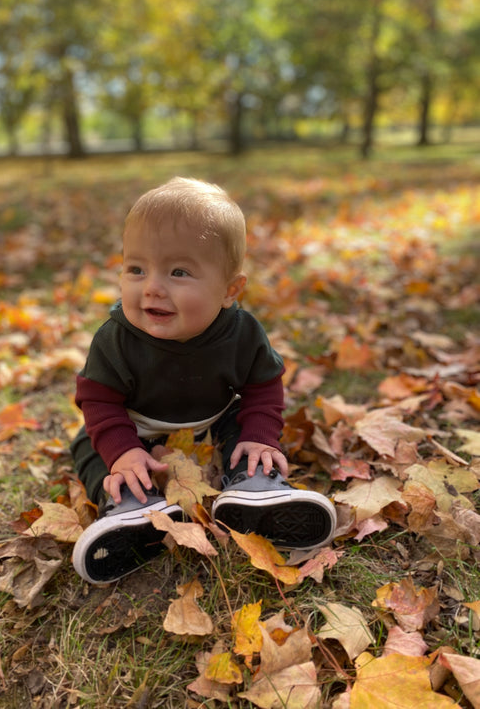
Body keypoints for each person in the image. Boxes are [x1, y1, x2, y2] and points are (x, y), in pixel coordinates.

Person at [71, 177, 336, 584]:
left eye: (178, 272)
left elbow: (262, 387)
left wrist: (261, 435)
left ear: (230, 290)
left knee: (243, 428)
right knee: (92, 444)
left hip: (213, 414)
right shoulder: (116, 338)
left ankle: (254, 486)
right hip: (134, 421)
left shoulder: (242, 333)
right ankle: (127, 506)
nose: (152, 288)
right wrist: (122, 452)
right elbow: (99, 401)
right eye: (136, 269)